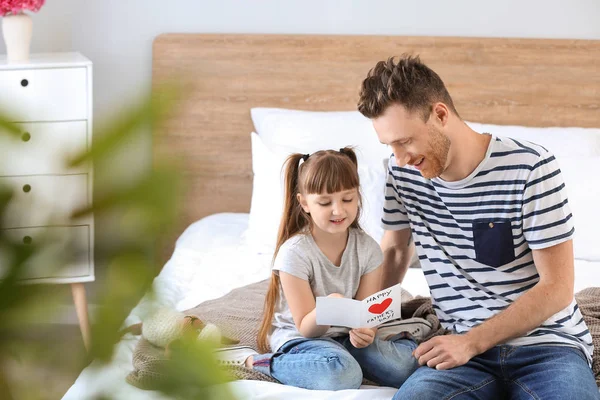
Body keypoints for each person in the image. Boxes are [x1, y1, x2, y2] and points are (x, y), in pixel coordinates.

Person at [357, 55, 598, 399]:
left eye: (406, 140)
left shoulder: (529, 167)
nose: (400, 157)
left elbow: (558, 287)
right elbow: (395, 249)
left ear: (440, 115)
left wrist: (471, 342)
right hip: (458, 355)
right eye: (390, 145)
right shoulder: (401, 174)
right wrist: (367, 314)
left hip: (546, 346)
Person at [215, 147, 419, 390]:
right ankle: (253, 361)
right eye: (325, 202)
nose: (339, 210)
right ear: (304, 203)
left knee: (408, 367)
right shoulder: (294, 253)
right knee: (342, 374)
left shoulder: (368, 249)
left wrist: (366, 331)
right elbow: (305, 326)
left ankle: (348, 357)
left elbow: (368, 311)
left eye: (347, 199)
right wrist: (328, 310)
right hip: (303, 337)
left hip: (346, 337)